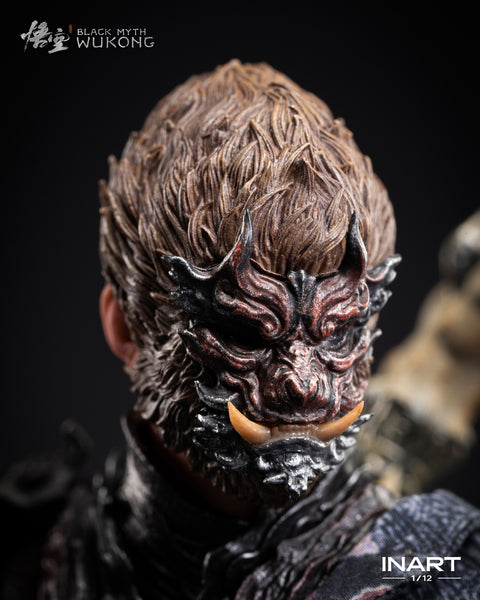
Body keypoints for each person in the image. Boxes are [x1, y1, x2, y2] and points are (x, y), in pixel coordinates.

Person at [2, 60, 479, 600]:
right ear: (124, 327)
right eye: (248, 334)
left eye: (339, 333)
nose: (304, 383)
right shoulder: (32, 554)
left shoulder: (437, 563)